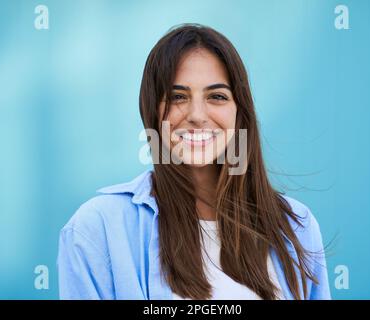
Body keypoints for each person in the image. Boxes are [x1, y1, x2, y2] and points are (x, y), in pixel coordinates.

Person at [57, 23, 331, 300]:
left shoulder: (295, 226)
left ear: (240, 113)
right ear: (152, 111)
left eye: (217, 96)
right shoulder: (98, 228)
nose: (197, 115)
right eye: (177, 97)